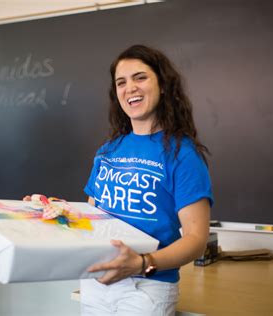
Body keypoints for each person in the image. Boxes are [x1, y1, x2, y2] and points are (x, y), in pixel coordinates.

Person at [81, 44, 213, 315]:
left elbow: (197, 239)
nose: (130, 88)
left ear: (163, 85)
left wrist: (143, 262)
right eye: (121, 82)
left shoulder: (182, 154)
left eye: (140, 77)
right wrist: (52, 213)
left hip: (147, 289)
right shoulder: (107, 151)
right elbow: (91, 219)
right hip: (96, 281)